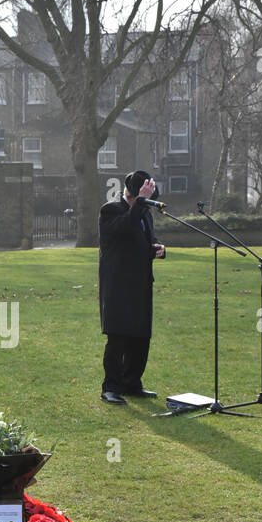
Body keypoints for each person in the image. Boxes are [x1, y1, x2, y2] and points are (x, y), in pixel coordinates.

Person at [98, 169, 166, 403]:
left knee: (140, 336)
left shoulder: (144, 213)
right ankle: (111, 388)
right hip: (118, 285)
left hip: (141, 282)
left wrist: (159, 249)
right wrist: (140, 203)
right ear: (134, 195)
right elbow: (123, 228)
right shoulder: (110, 210)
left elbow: (149, 239)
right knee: (118, 337)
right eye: (144, 198)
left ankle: (132, 383)